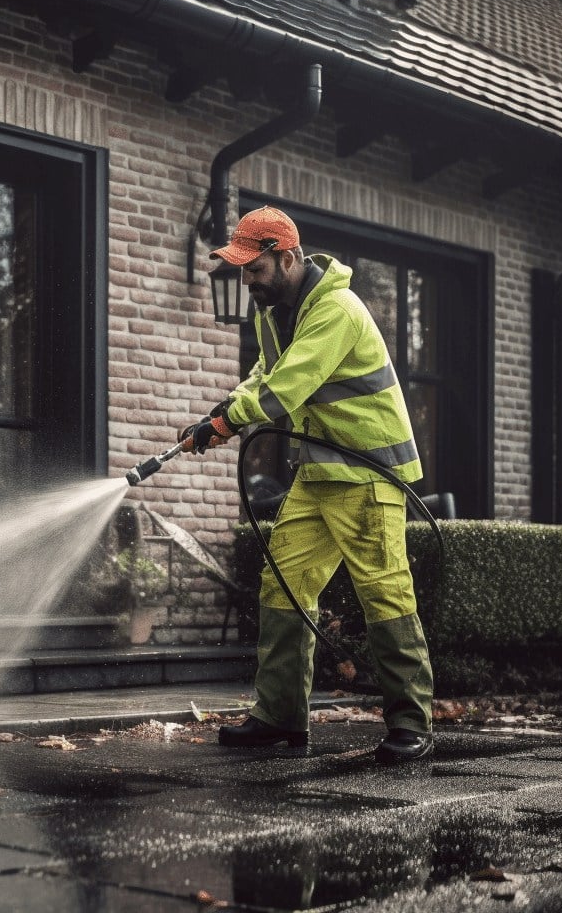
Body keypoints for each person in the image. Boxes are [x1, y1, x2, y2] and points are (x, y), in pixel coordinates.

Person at [180, 205, 434, 765]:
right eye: (242, 270)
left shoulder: (336, 310)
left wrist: (228, 420)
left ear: (288, 257)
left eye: (255, 269)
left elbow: (285, 388)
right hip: (318, 472)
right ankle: (280, 716)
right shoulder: (276, 311)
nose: (247, 281)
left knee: (384, 592)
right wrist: (222, 409)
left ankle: (412, 724)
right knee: (284, 584)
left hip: (368, 473)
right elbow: (266, 374)